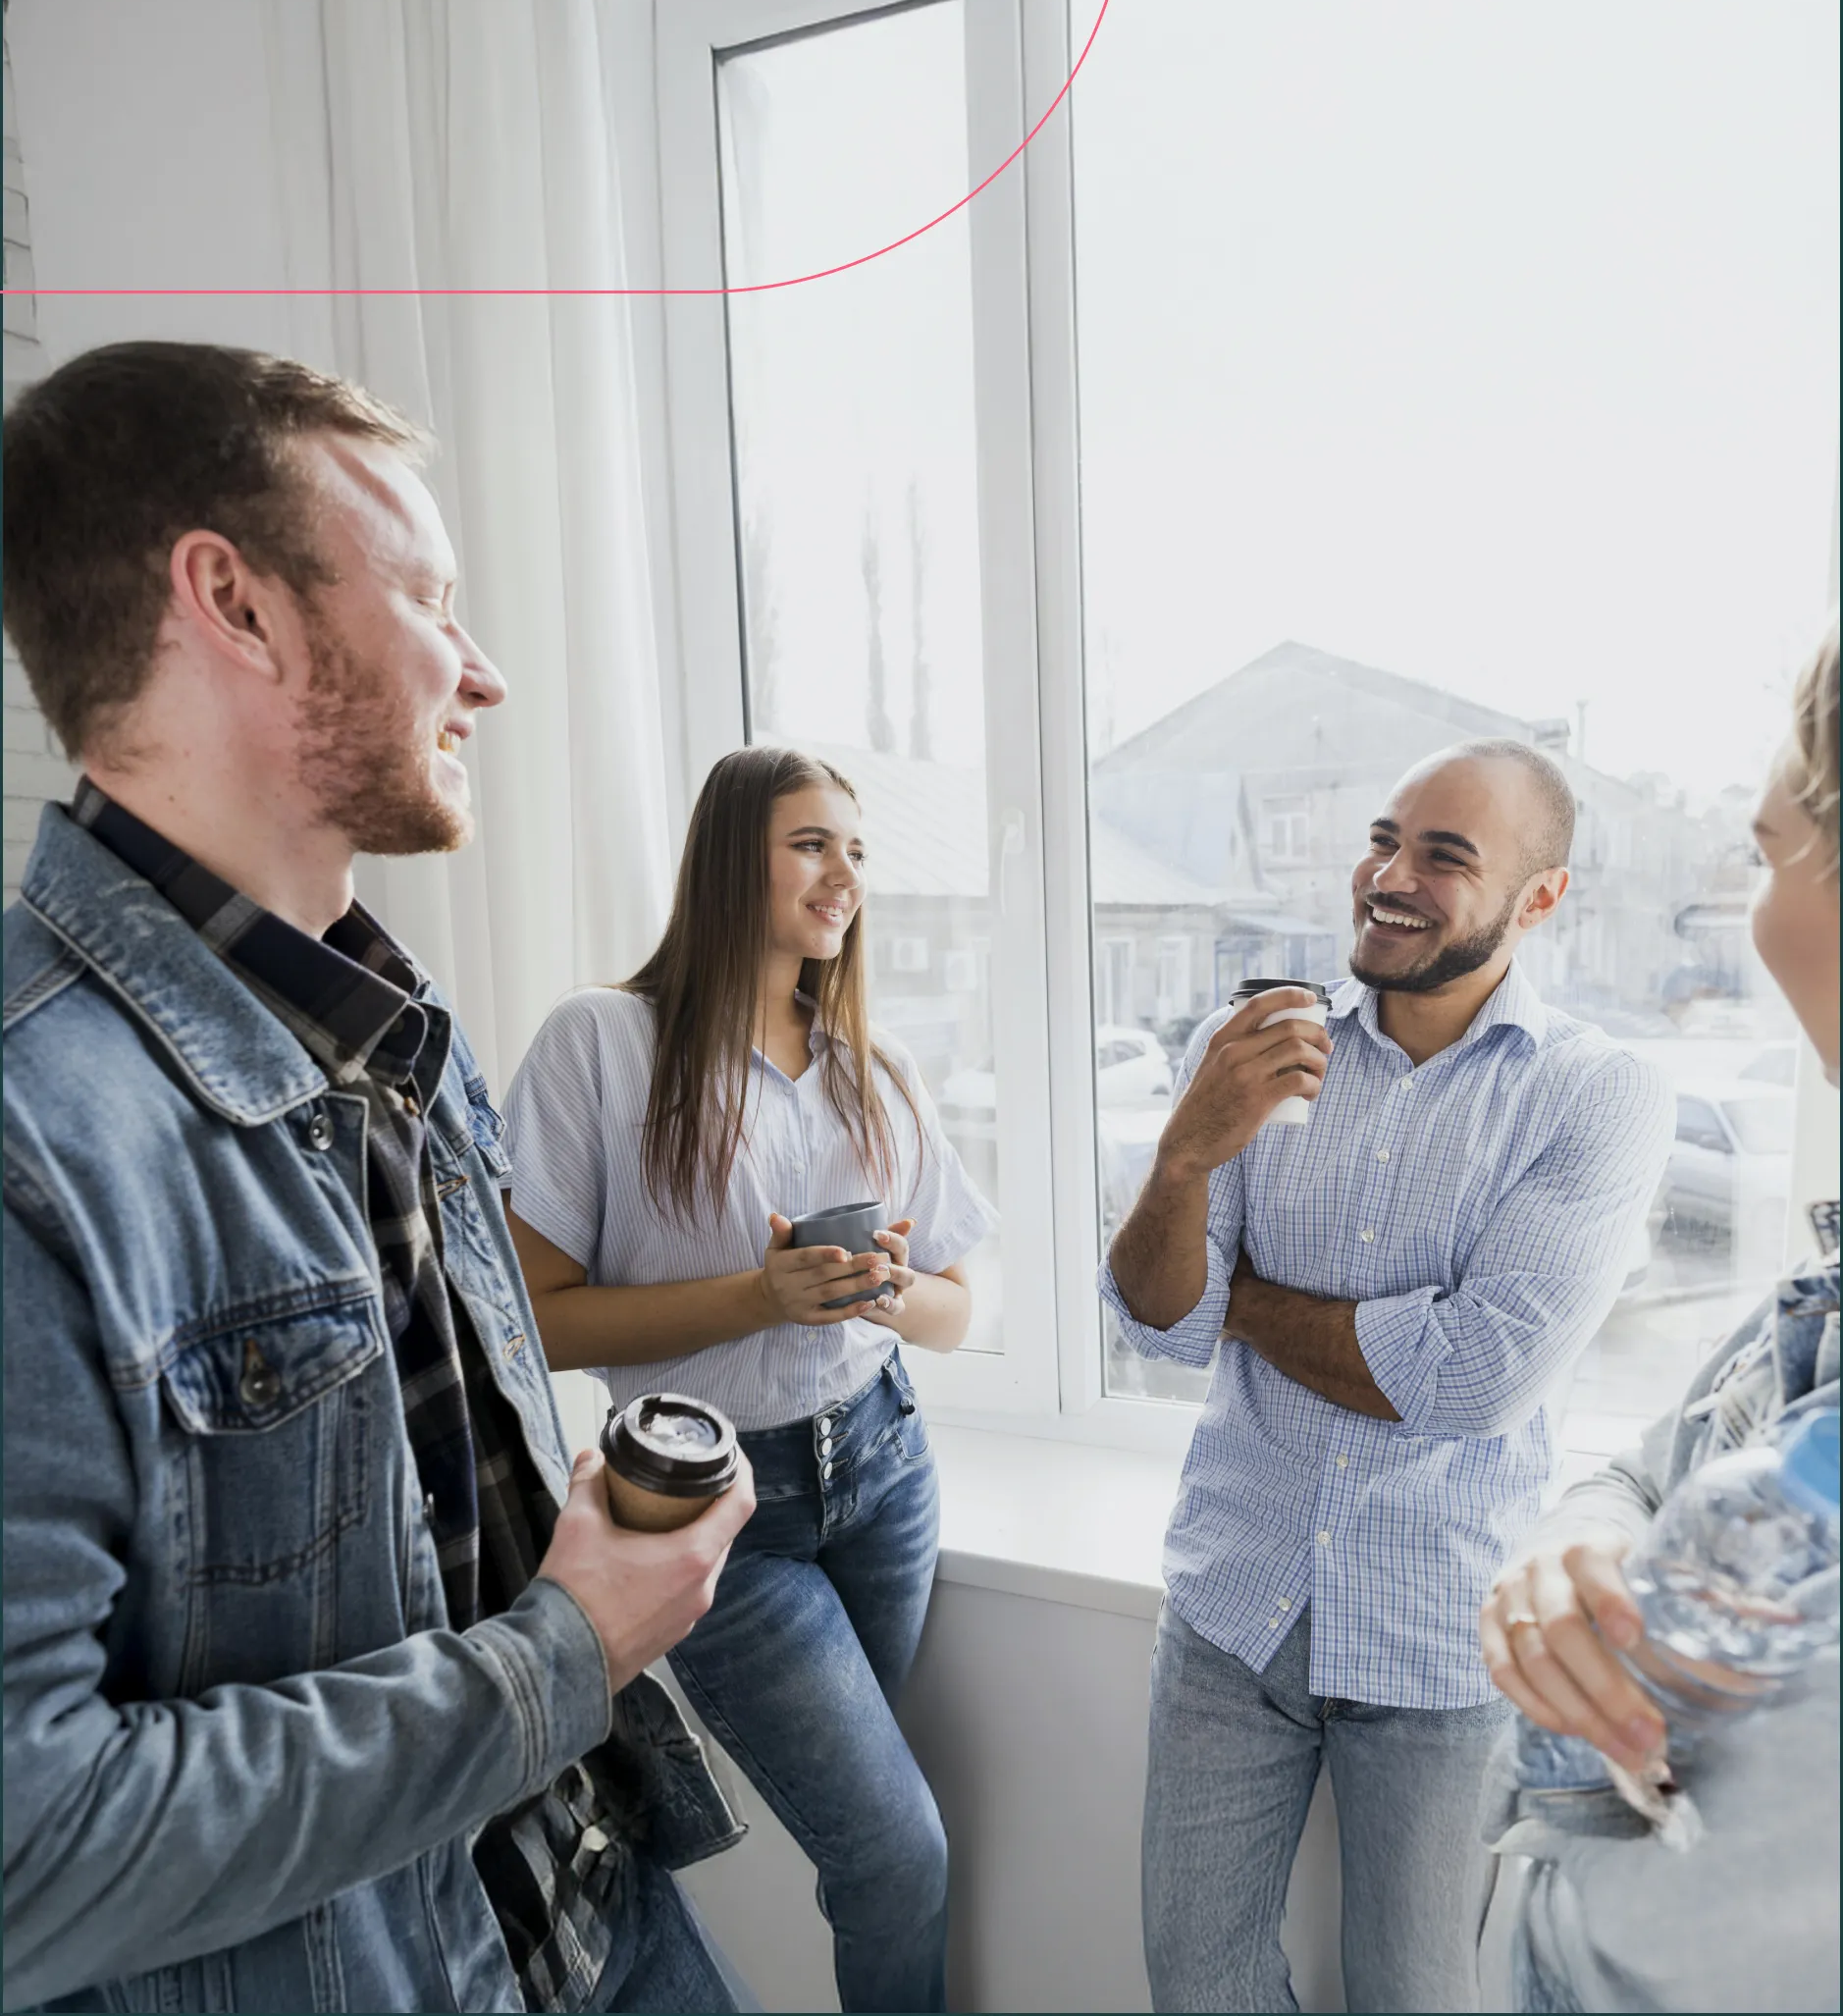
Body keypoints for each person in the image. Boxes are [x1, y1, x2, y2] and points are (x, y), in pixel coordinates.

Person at [1, 342, 757, 2015]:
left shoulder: (388, 1021)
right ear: (237, 606)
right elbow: (27, 1854)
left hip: (593, 1907)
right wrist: (566, 1656)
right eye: (433, 597)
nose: (481, 674)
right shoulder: (28, 1143)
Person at [1103, 739, 1676, 2014]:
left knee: (1415, 1997)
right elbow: (1154, 1323)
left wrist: (1235, 1302)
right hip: (1230, 1608)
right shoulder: (1251, 1044)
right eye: (1383, 839)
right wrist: (1187, 1155)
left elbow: (1473, 1379)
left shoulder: (1597, 1095)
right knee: (1196, 1979)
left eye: (1442, 856)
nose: (1388, 876)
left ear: (1539, 900)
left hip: (1438, 1644)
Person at [500, 743, 994, 2014]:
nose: (845, 876)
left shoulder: (871, 1071)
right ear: (733, 857)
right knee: (896, 1853)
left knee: (870, 1851)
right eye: (812, 844)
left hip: (882, 1469)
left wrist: (878, 1288)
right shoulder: (602, 1044)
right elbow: (535, 1324)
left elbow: (952, 1313)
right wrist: (758, 1296)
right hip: (724, 1513)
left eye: (859, 851)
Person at [1479, 616, 1840, 2013]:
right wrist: (1583, 1539)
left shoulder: (1595, 1097)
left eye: (1764, 854)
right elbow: (1646, 1461)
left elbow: (1455, 1371)